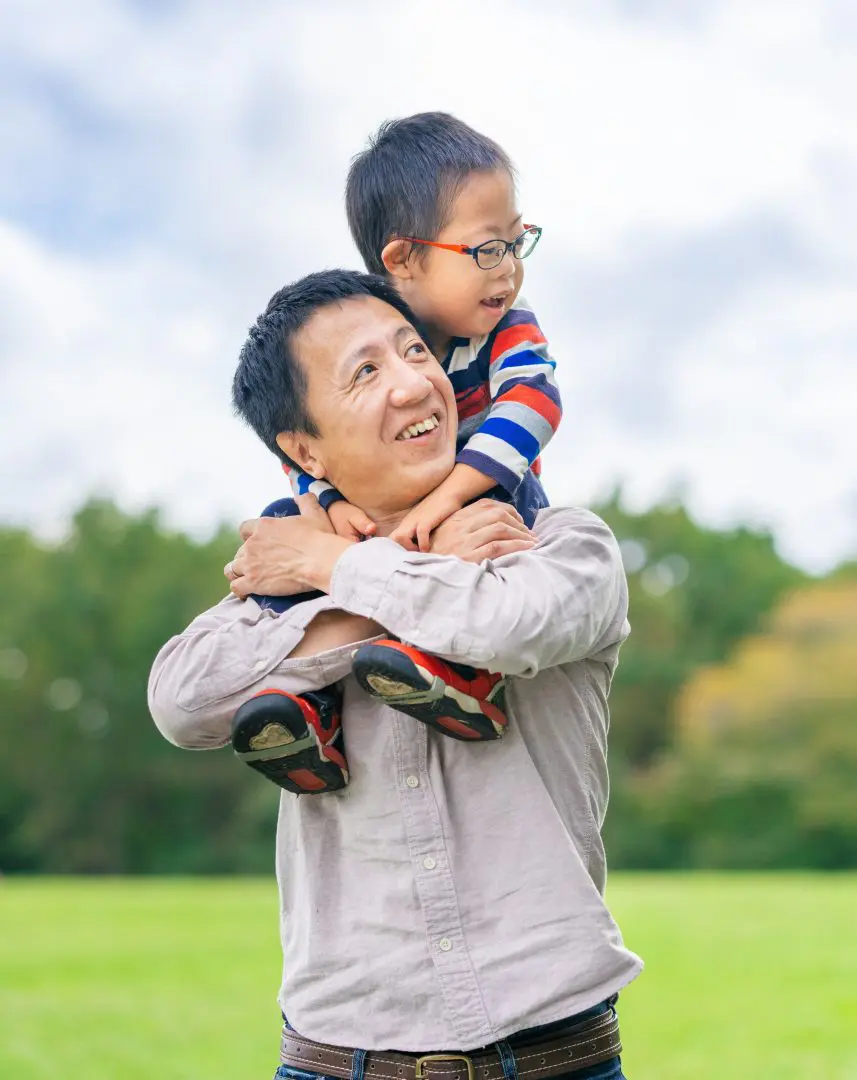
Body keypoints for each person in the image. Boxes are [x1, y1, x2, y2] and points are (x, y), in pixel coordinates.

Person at [148, 269, 642, 1079]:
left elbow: (505, 624)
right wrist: (361, 581)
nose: (413, 384)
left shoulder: (559, 544)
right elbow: (184, 701)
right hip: (336, 1057)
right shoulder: (276, 576)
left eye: (415, 352)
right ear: (303, 450)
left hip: (555, 1053)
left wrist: (335, 569)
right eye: (366, 371)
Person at [236, 113, 563, 791]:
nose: (509, 269)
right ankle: (308, 711)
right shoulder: (368, 326)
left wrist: (446, 503)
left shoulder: (507, 326)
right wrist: (328, 505)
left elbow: (534, 403)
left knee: (496, 520)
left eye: (515, 241)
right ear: (402, 260)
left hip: (486, 499)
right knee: (286, 521)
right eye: (486, 250)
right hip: (386, 521)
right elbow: (299, 446)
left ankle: (466, 674)